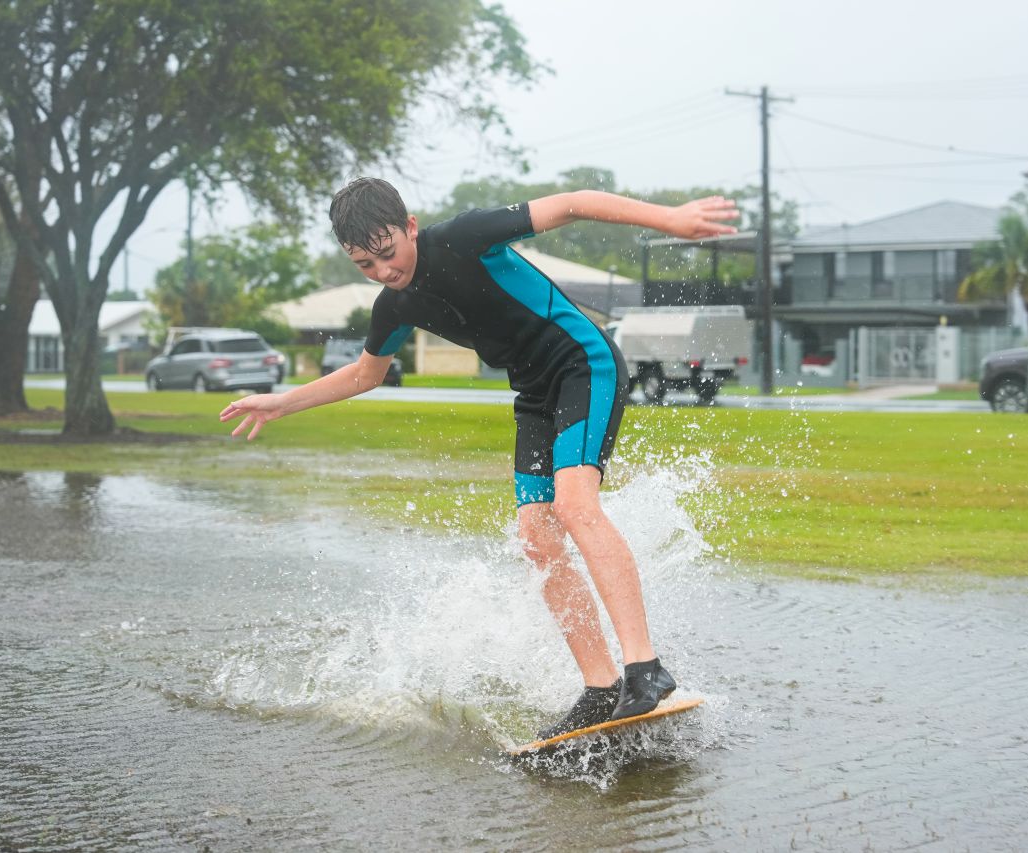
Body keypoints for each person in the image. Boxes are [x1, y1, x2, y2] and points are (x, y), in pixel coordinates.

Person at [220, 178, 738, 738]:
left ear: (410, 226)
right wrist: (281, 402)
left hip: (583, 364)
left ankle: (646, 669)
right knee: (536, 538)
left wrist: (672, 219)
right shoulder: (394, 305)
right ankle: (601, 685)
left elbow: (572, 204)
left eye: (388, 252)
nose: (383, 271)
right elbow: (366, 375)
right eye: (364, 264)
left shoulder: (464, 237)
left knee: (575, 506)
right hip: (535, 395)